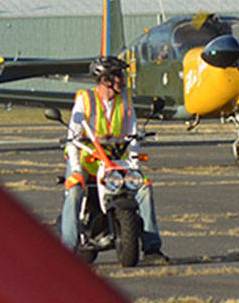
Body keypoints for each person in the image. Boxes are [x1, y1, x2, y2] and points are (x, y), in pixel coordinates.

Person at [60, 55, 167, 261]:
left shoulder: (125, 98)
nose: (123, 79)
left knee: (143, 188)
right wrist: (75, 171)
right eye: (118, 75)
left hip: (116, 160)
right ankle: (67, 252)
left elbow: (133, 132)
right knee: (74, 191)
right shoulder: (85, 99)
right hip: (86, 159)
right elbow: (72, 138)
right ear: (106, 79)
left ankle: (152, 248)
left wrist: (134, 162)